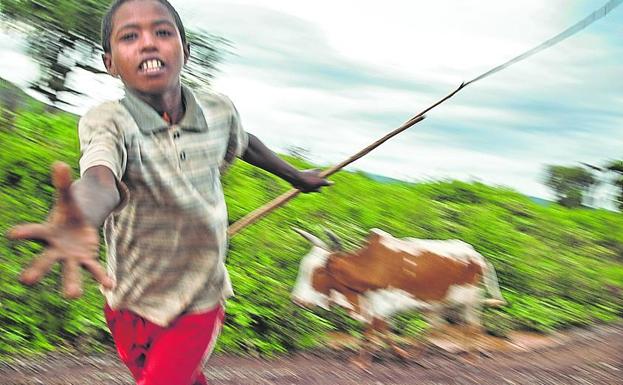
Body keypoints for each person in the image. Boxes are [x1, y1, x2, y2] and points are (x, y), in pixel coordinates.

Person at [7, 0, 330, 384]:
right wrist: (81, 215)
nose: (148, 43)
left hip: (200, 294)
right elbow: (99, 179)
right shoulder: (108, 121)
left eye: (162, 32)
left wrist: (296, 176)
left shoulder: (218, 110)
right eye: (130, 36)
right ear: (109, 62)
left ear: (185, 50)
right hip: (129, 295)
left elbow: (243, 142)